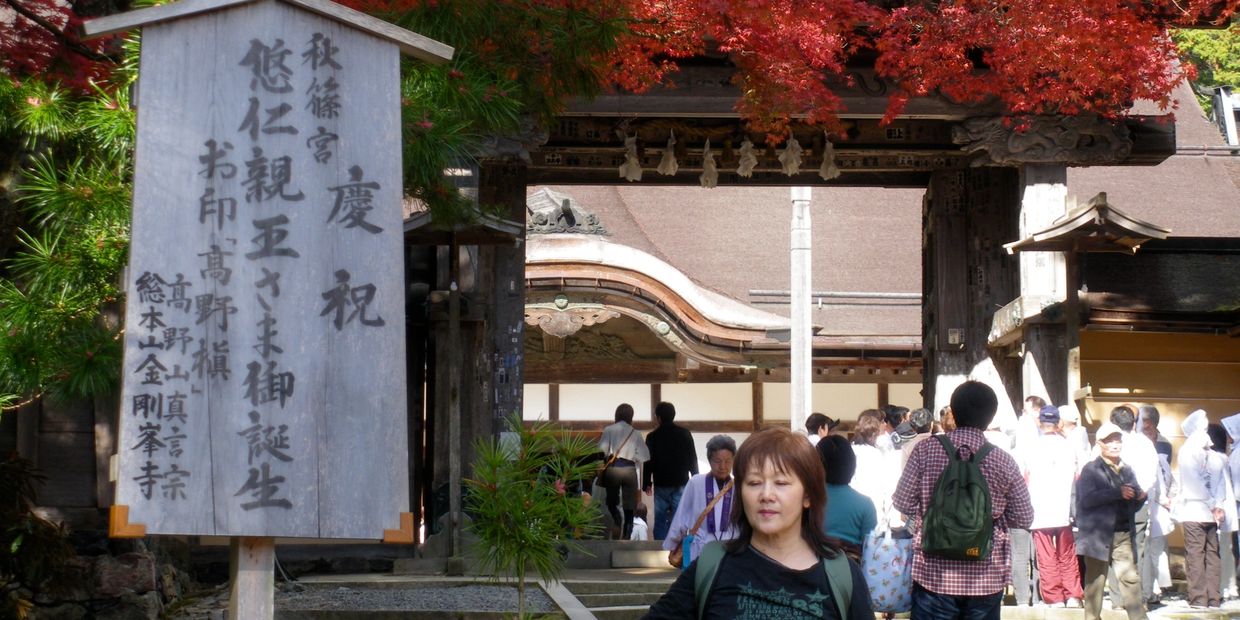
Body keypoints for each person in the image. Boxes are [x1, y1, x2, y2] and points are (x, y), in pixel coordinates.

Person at [644, 428, 874, 619]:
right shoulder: (713, 565)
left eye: (781, 482)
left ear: (808, 496)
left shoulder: (842, 575)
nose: (766, 494)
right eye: (754, 482)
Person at [893, 381, 1033, 619]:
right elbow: (1024, 517)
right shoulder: (1003, 460)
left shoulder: (925, 450)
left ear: (954, 412)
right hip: (986, 577)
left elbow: (903, 503)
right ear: (990, 417)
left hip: (934, 575)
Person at [1076, 422, 1148, 620]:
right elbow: (1087, 499)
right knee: (1095, 584)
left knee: (1130, 580)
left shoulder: (1127, 468)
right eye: (1110, 441)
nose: (1115, 445)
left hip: (1122, 533)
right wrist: (1117, 493)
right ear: (1100, 443)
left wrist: (1140, 495)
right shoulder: (1090, 469)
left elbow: (1134, 493)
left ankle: (1139, 618)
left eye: (1117, 440)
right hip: (1097, 536)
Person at [1026, 405, 1082, 607]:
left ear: (1040, 423)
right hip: (1064, 508)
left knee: (1046, 555)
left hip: (1039, 509)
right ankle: (1073, 595)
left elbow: (1026, 477)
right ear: (1059, 423)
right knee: (1067, 553)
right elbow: (1077, 477)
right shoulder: (1068, 446)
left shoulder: (1032, 447)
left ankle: (1054, 597)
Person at [663, 435, 739, 565]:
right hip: (701, 545)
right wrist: (673, 543)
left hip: (731, 544)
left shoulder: (740, 486)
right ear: (709, 461)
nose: (723, 466)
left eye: (728, 461)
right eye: (717, 461)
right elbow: (682, 514)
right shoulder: (696, 482)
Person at [643, 401, 698, 541]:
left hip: (661, 482)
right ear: (673, 415)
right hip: (681, 481)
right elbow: (692, 457)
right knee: (679, 517)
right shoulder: (684, 433)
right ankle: (676, 548)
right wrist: (696, 477)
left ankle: (660, 547)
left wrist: (646, 482)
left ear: (658, 417)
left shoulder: (652, 436)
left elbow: (647, 461)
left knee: (660, 518)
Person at [817, 435, 877, 562]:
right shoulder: (865, 504)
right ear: (851, 464)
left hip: (810, 567)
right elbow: (870, 548)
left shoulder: (807, 500)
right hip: (850, 571)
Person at [1139, 405, 1175, 607]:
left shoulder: (1162, 447)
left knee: (1156, 548)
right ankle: (1152, 587)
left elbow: (1163, 477)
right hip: (1150, 502)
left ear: (1149, 425)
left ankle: (1156, 587)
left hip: (1157, 502)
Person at [598, 403, 651, 539]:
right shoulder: (636, 433)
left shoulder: (609, 429)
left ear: (617, 415)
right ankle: (627, 534)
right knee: (629, 505)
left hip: (614, 468)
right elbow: (644, 456)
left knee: (611, 501)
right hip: (629, 470)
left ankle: (617, 518)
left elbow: (601, 451)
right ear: (631, 416)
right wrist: (632, 455)